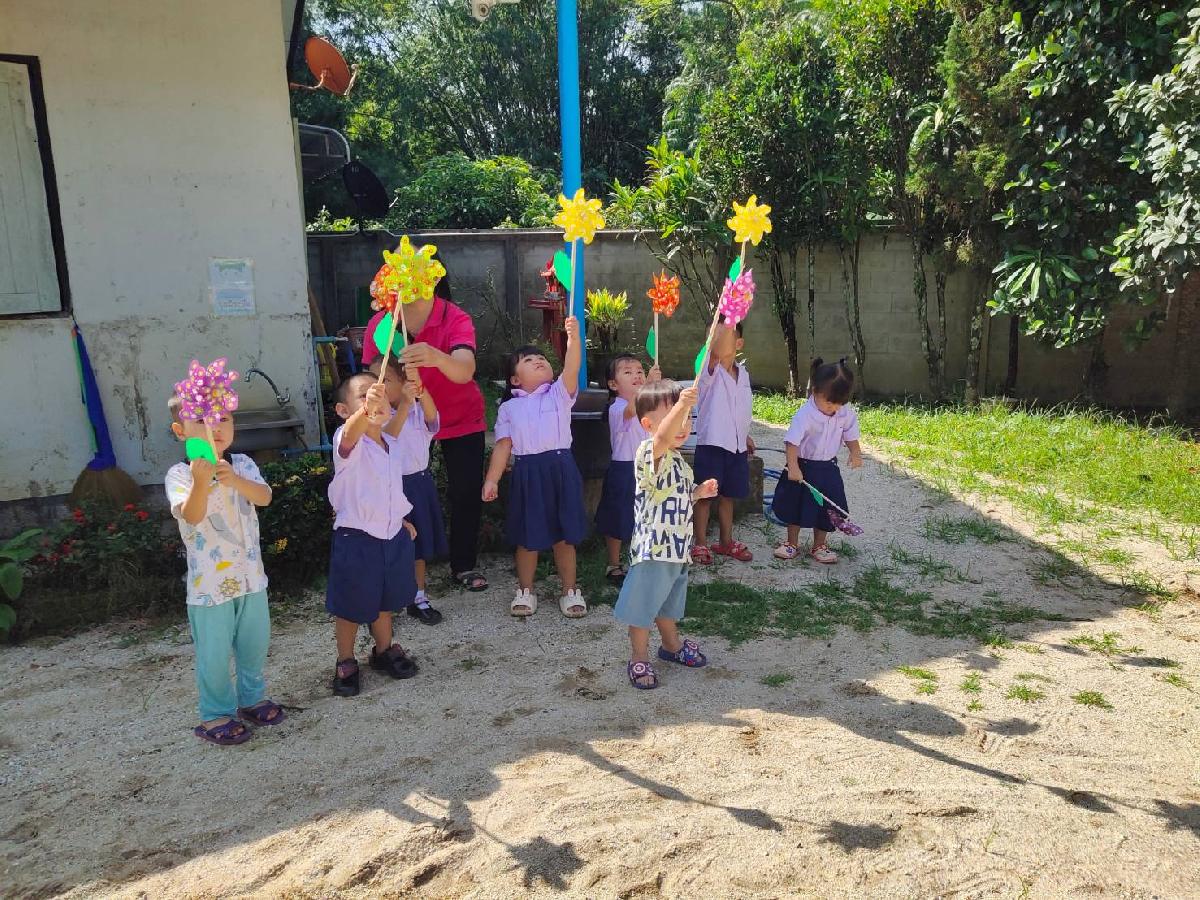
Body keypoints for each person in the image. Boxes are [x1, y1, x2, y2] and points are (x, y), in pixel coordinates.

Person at [361, 263, 489, 593]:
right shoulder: (382, 323)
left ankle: (463, 564)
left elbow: (465, 370)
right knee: (399, 489)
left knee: (465, 492)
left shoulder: (454, 317)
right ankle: (406, 564)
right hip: (405, 421)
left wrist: (436, 357)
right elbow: (372, 378)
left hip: (460, 415)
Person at [165, 396, 283, 745]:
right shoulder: (180, 474)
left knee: (254, 644)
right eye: (201, 421)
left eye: (223, 419)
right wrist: (202, 482)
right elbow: (191, 515)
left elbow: (264, 497)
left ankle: (252, 699)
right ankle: (215, 713)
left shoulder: (242, 464)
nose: (214, 427)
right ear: (180, 431)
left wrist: (234, 480)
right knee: (214, 655)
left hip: (251, 579)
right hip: (210, 588)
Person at [613, 379, 719, 689]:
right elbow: (662, 437)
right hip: (654, 550)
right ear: (648, 424)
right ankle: (638, 656)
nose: (683, 425)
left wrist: (698, 492)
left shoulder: (680, 463)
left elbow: (678, 497)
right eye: (674, 417)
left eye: (687, 418)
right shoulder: (649, 452)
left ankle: (671, 645)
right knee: (643, 606)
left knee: (667, 603)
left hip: (677, 549)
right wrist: (683, 403)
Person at [482, 316, 588, 618]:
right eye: (528, 360)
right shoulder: (508, 408)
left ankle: (570, 590)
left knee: (564, 536)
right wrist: (492, 479)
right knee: (528, 537)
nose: (538, 360)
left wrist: (573, 340)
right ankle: (526, 590)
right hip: (528, 474)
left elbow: (572, 368)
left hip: (562, 470)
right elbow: (503, 446)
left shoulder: (559, 394)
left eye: (541, 357)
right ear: (515, 380)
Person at [325, 373, 420, 697]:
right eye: (365, 395)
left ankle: (383, 650)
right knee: (351, 605)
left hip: (391, 535)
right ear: (343, 410)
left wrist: (405, 402)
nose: (375, 399)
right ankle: (345, 659)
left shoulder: (390, 443)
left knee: (384, 600)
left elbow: (388, 486)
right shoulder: (347, 443)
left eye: (379, 394)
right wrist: (367, 411)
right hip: (357, 538)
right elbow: (352, 434)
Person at [370, 356, 446, 625]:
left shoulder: (416, 412)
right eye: (374, 379)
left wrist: (419, 389)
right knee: (388, 544)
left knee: (418, 546)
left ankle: (418, 596)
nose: (379, 385)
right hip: (387, 487)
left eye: (386, 379)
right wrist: (403, 404)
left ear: (403, 382)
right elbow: (386, 439)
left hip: (418, 484)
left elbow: (433, 419)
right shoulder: (374, 419)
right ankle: (385, 601)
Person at [770, 358, 863, 564]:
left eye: (839, 403)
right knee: (795, 505)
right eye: (829, 402)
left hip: (828, 468)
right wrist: (793, 467)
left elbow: (850, 434)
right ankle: (791, 543)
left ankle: (819, 545)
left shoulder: (844, 412)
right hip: (802, 467)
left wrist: (855, 452)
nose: (834, 408)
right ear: (815, 392)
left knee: (826, 509)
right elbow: (792, 443)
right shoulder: (805, 414)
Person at [691, 321, 756, 564]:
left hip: (736, 447)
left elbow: (739, 409)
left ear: (739, 343)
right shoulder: (709, 370)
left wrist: (744, 434)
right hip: (712, 444)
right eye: (713, 334)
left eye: (724, 334)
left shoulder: (744, 374)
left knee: (729, 495)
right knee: (705, 496)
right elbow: (710, 356)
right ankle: (700, 543)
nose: (717, 338)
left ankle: (726, 541)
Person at [594, 355, 661, 584]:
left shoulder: (648, 404)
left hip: (648, 467)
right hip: (624, 469)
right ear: (613, 384)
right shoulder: (617, 407)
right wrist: (649, 385)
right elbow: (632, 409)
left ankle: (642, 559)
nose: (637, 375)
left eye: (640, 371)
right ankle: (613, 563)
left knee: (646, 516)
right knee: (617, 516)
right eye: (628, 372)